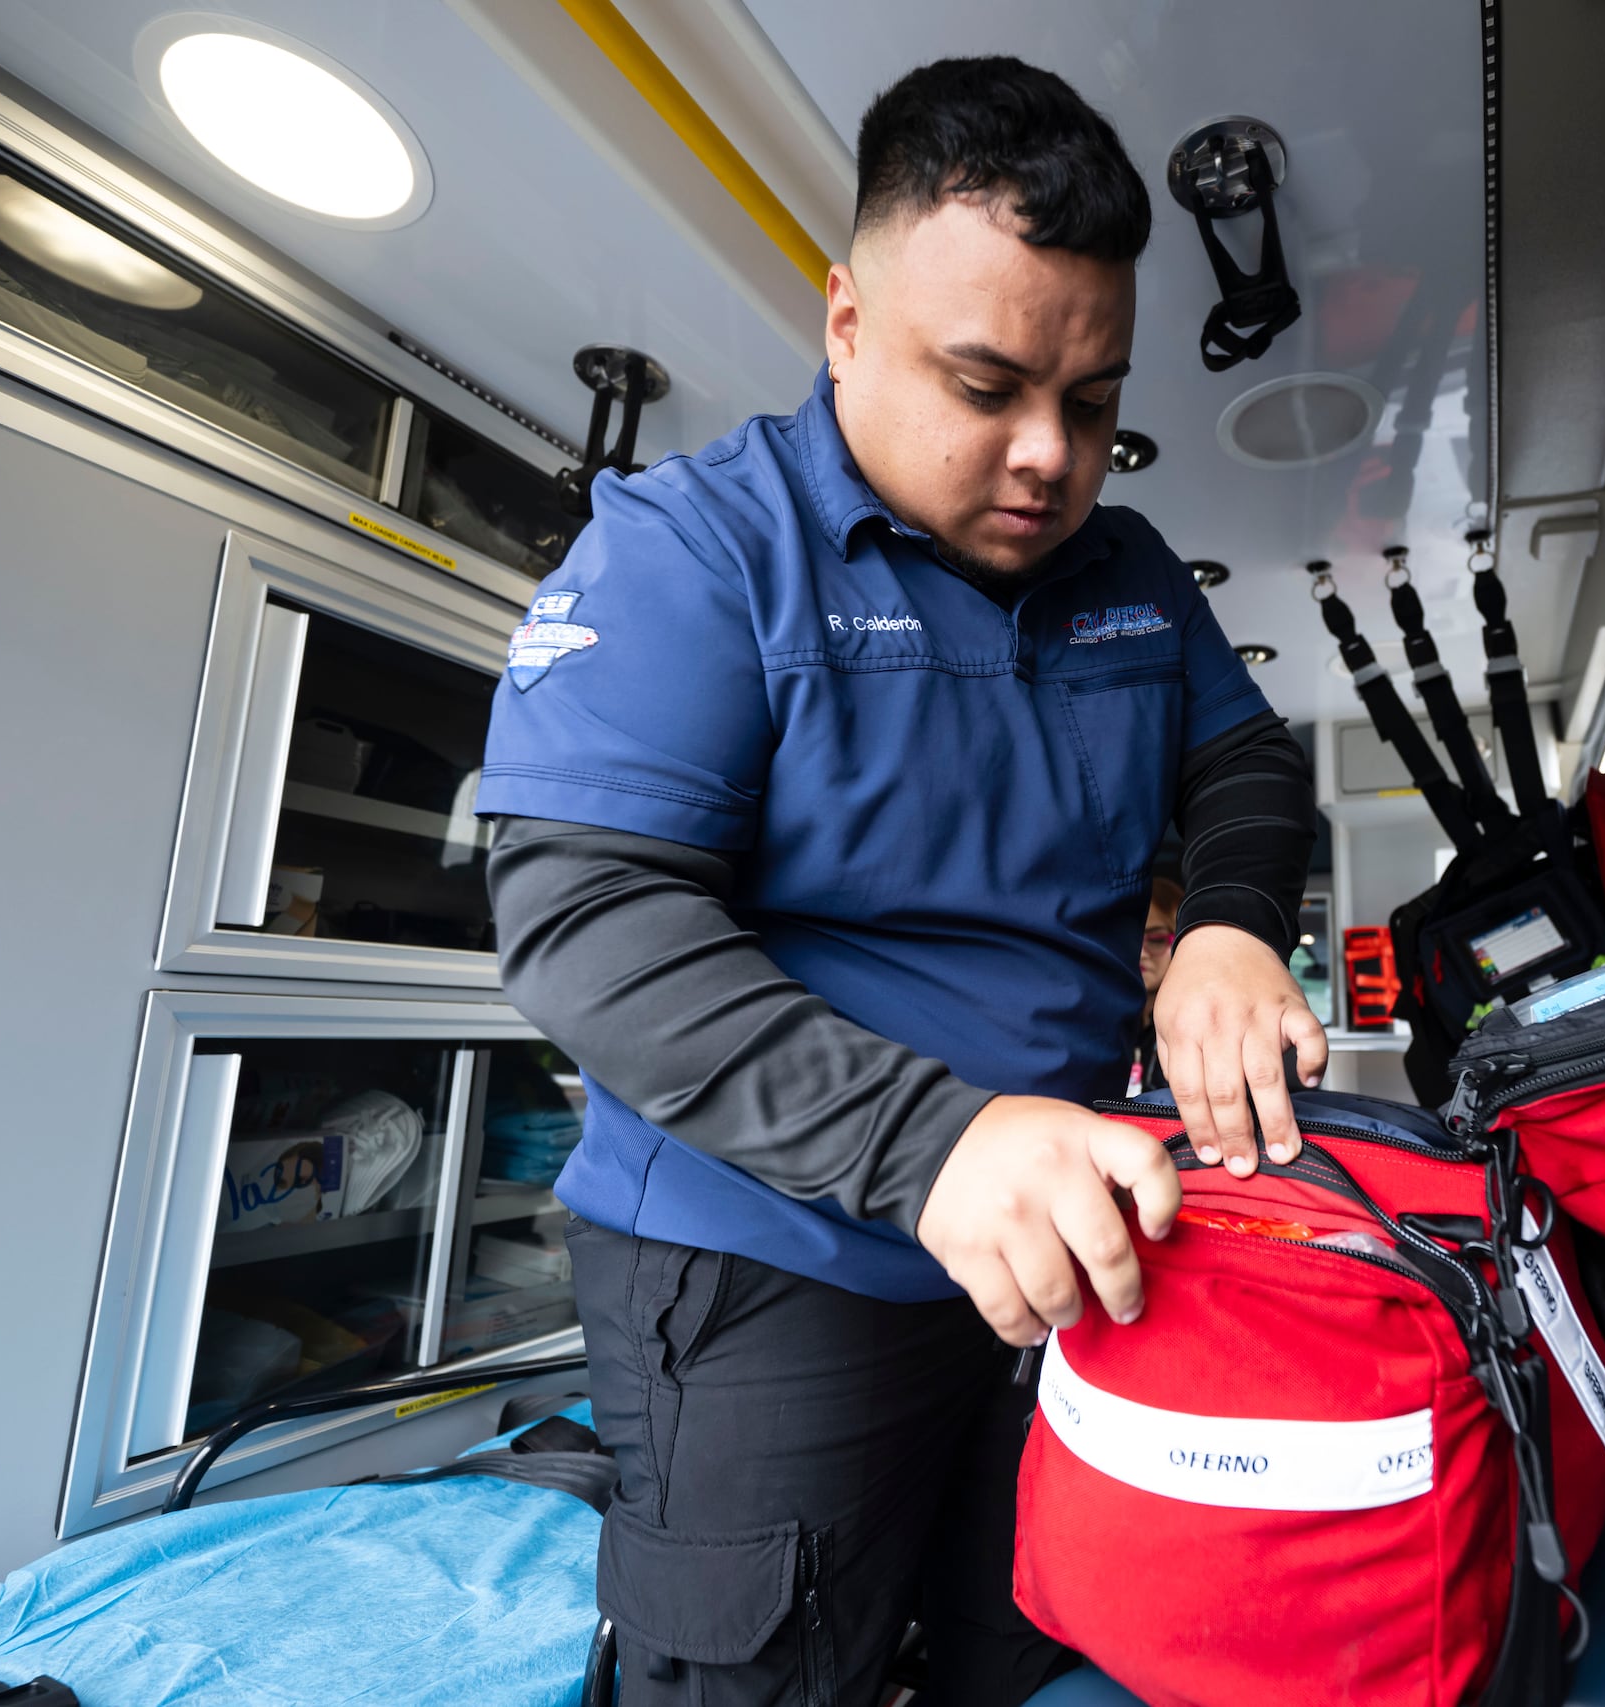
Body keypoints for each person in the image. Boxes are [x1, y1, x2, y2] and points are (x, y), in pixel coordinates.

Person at [478, 56, 1321, 1707]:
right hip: (764, 1261)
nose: (1046, 456)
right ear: (848, 322)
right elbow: (586, 924)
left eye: (1092, 404)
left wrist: (1225, 925)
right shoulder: (694, 552)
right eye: (986, 383)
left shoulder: (1130, 575)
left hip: (1058, 1245)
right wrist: (934, 1143)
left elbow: (1244, 764)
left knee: (1031, 1633)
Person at [1128, 872, 1182, 1096]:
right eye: (1130, 938)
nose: (1141, 953)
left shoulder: (1193, 1025)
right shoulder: (1102, 1022)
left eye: (1157, 940)